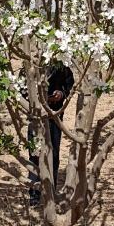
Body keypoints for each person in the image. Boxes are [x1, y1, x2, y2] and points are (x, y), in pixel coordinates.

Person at [28, 62, 75, 206]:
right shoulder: (31, 65)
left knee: (53, 153)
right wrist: (39, 98)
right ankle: (34, 193)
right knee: (35, 153)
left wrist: (61, 94)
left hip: (54, 115)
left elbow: (69, 83)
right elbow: (23, 89)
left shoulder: (61, 64)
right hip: (35, 116)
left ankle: (51, 190)